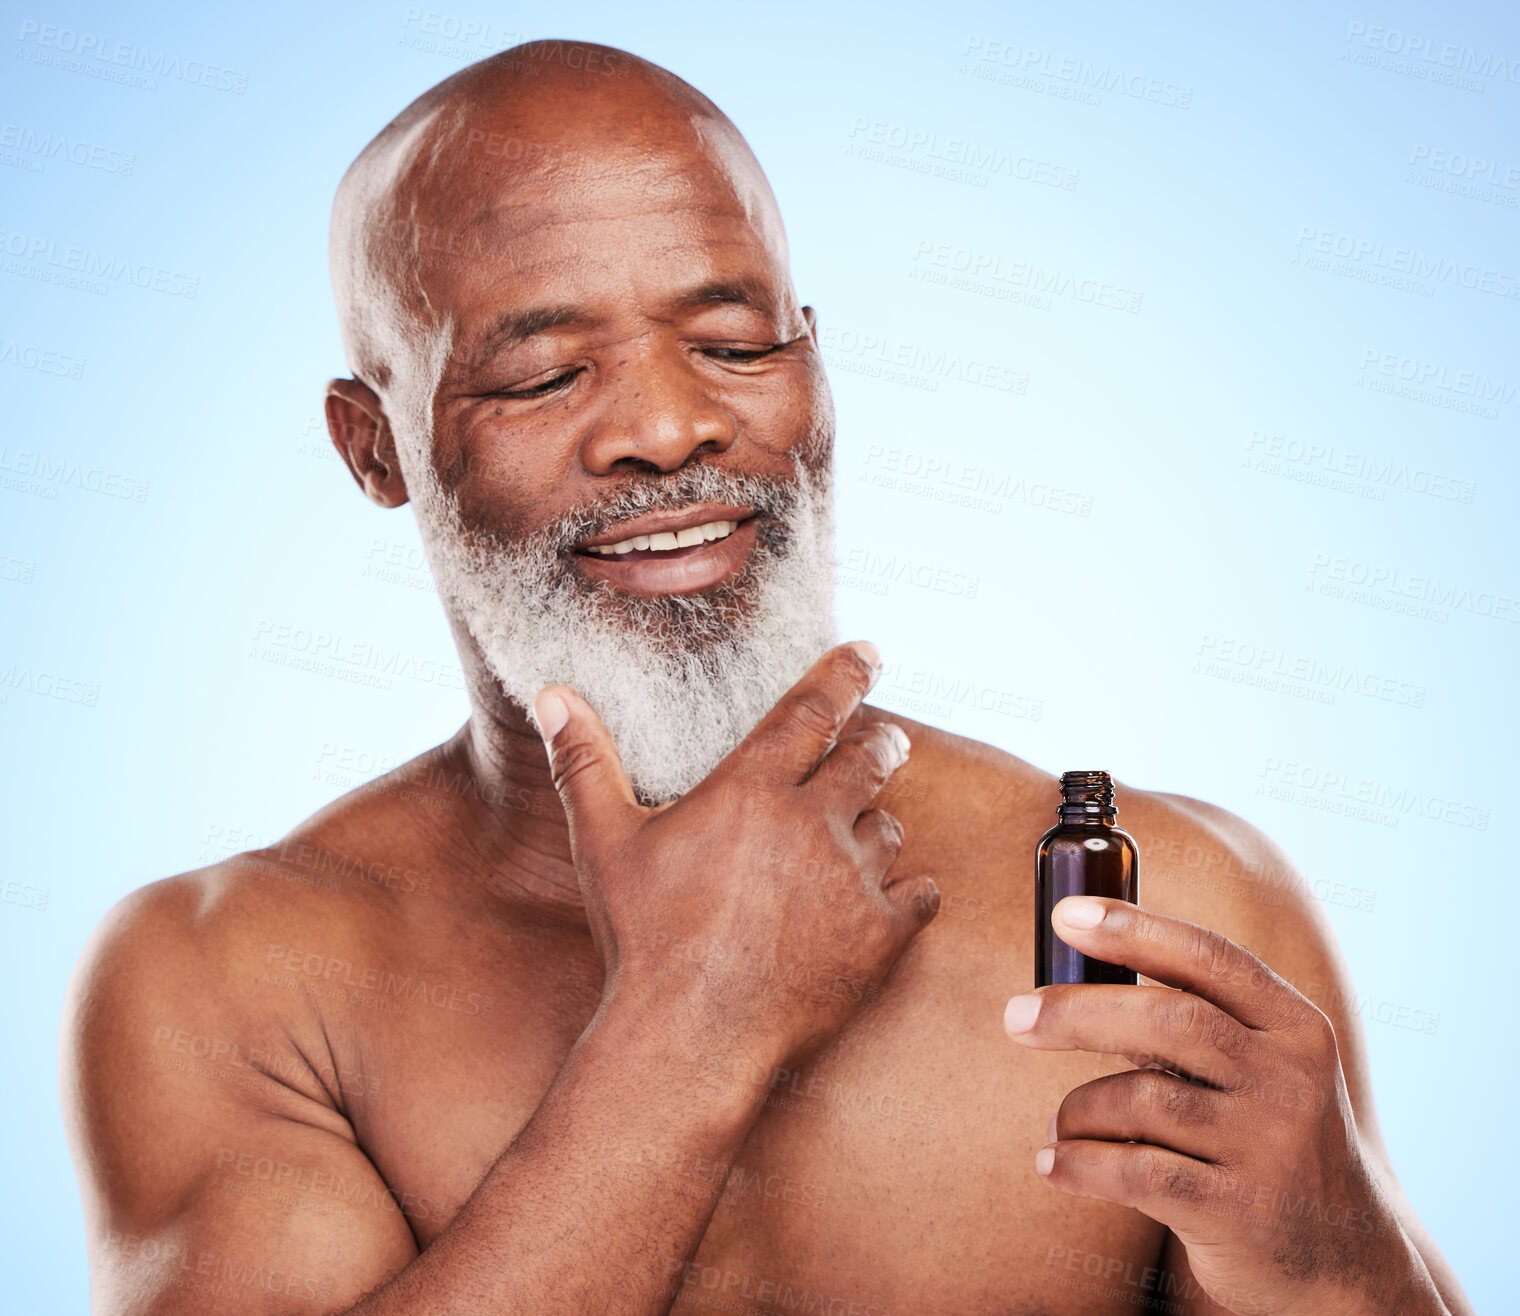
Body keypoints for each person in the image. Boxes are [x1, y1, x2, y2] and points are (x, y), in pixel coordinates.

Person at [61, 38, 1472, 1316]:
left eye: (735, 345)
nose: (672, 427)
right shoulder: (231, 985)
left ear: (818, 370)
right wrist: (690, 1027)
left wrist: (1348, 1266)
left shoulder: (1152, 914)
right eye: (546, 377)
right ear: (372, 449)